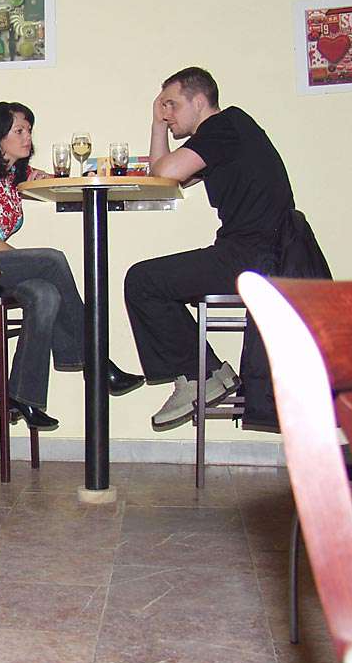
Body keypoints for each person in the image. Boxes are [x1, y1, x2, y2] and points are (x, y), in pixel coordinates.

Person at [0, 101, 144, 429]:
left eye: (29, 130)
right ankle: (97, 363)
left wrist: (78, 174)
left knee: (45, 293)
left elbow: (44, 179)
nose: (27, 137)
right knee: (50, 260)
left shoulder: (11, 175)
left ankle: (23, 396)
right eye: (19, 130)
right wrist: (31, 263)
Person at [125, 67, 294, 429]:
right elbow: (163, 175)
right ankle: (204, 375)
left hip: (256, 257)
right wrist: (157, 122)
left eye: (172, 105)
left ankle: (201, 377)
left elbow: (165, 173)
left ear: (200, 102)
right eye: (163, 107)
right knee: (149, 281)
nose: (166, 114)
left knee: (142, 281)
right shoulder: (225, 136)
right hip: (254, 253)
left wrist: (157, 125)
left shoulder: (223, 126)